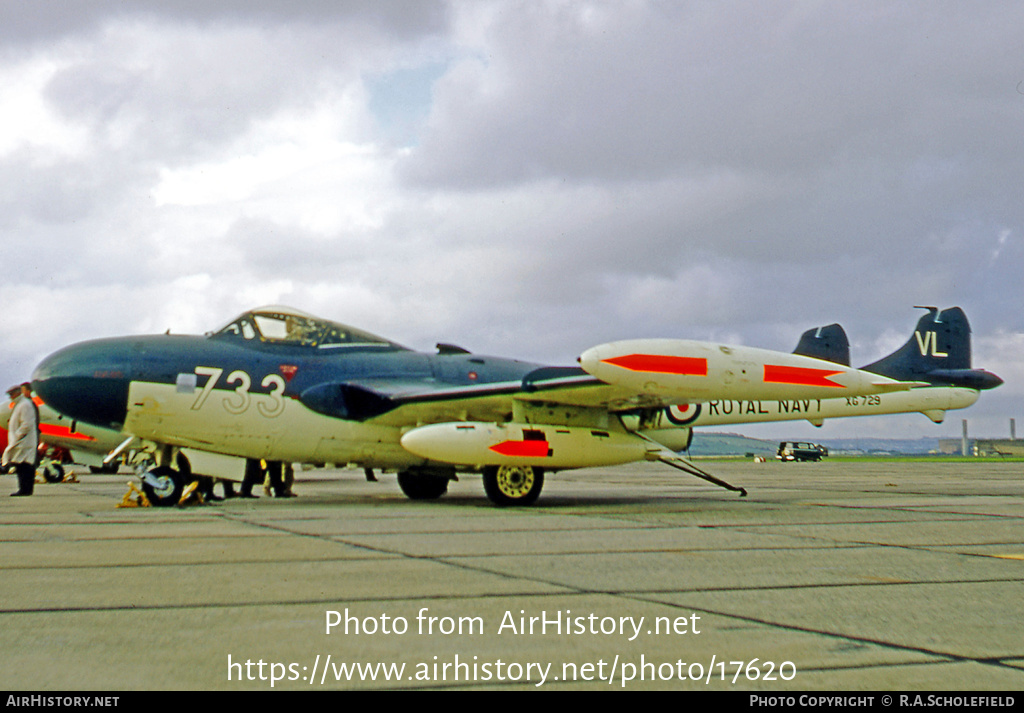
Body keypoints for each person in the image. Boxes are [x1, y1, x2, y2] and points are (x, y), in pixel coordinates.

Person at [3, 383, 40, 496]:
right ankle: (24, 489)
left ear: (17, 393)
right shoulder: (20, 404)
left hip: (24, 441)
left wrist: (17, 436)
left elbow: (27, 424)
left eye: (12, 394)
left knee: (25, 467)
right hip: (21, 441)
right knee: (20, 466)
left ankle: (25, 489)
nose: (10, 397)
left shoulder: (24, 405)